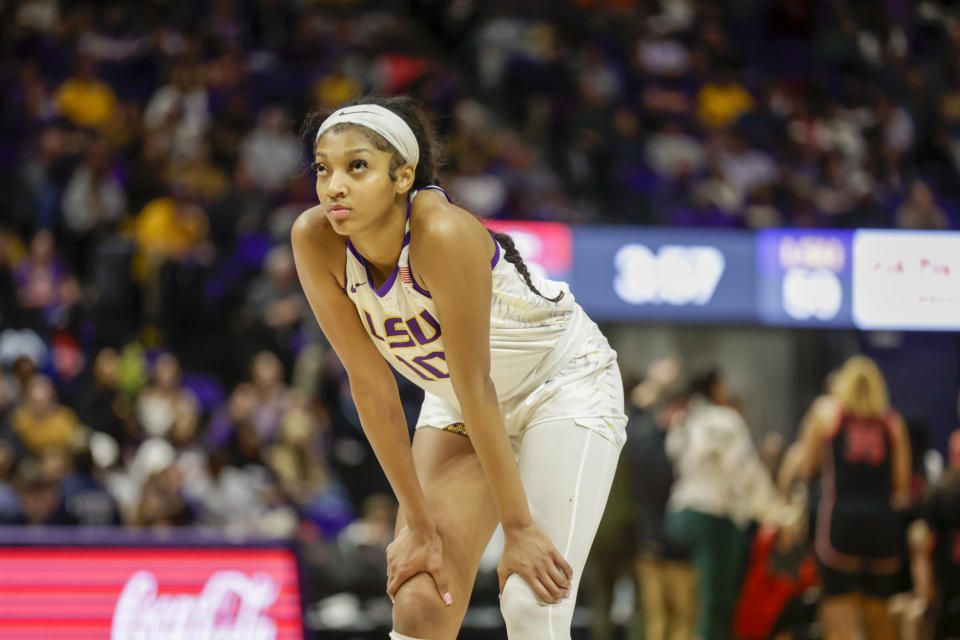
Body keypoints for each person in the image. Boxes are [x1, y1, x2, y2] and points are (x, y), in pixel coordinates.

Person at [291, 95, 626, 640]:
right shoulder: (314, 239)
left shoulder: (441, 232)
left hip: (561, 385)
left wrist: (519, 529)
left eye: (358, 167)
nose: (335, 186)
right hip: (459, 403)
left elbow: (477, 383)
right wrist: (417, 523)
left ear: (402, 176)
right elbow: (371, 385)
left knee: (531, 601)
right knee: (421, 599)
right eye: (324, 169)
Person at [794, 355, 912, 640]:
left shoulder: (826, 415)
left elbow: (806, 467)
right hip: (882, 524)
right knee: (879, 615)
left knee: (840, 618)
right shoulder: (893, 423)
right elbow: (901, 483)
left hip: (839, 522)